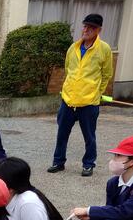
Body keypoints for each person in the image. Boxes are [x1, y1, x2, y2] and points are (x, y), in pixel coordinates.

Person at [48, 13, 114, 177]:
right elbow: (68, 69)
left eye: (91, 28)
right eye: (85, 26)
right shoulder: (73, 47)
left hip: (89, 101)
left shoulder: (104, 49)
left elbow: (106, 74)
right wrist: (67, 89)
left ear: (98, 30)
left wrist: (97, 93)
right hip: (68, 99)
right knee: (62, 134)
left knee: (89, 136)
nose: (86, 30)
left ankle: (88, 164)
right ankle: (58, 162)